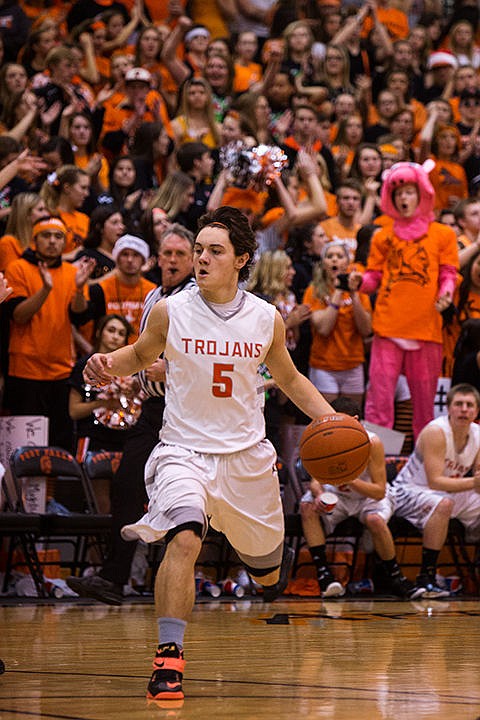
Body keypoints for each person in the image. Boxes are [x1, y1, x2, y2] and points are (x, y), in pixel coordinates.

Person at [82, 205, 335, 701]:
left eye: (214, 251)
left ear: (242, 259)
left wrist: (330, 419)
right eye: (198, 249)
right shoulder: (171, 309)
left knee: (267, 572)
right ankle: (168, 660)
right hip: (183, 451)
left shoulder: (266, 318)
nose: (201, 258)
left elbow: (288, 379)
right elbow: (139, 355)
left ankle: (261, 566)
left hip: (245, 460)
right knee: (183, 537)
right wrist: (106, 362)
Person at [67, 224, 196, 603]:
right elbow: (143, 352)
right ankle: (115, 578)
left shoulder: (196, 298)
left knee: (191, 498)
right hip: (153, 407)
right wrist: (129, 376)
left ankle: (254, 564)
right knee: (128, 484)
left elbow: (201, 357)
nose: (172, 260)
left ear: (192, 260)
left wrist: (169, 369)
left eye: (180, 254)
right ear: (157, 259)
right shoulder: (154, 295)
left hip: (189, 411)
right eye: (167, 254)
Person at [350, 160, 459, 440]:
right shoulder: (382, 235)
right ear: (391, 197)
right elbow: (374, 275)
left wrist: (447, 291)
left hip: (426, 327)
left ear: (422, 193)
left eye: (409, 191)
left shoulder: (443, 234)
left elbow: (449, 272)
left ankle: (425, 466)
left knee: (424, 405)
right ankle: (380, 463)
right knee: (379, 402)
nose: (403, 198)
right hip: (388, 327)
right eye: (398, 193)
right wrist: (360, 282)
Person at [300, 397, 424, 599]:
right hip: (340, 495)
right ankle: (324, 576)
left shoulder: (372, 442)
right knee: (307, 507)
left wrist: (349, 479)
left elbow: (379, 491)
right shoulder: (323, 437)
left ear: (355, 421)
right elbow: (315, 481)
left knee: (375, 520)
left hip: (368, 495)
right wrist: (320, 495)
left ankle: (396, 577)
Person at [3, 217, 95, 450]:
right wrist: (45, 290)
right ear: (34, 240)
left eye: (58, 236)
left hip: (61, 369)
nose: (52, 241)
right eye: (46, 235)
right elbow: (18, 315)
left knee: (59, 446)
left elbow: (79, 315)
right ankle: (17, 489)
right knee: (22, 446)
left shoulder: (72, 272)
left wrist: (78, 288)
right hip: (25, 370)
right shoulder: (18, 268)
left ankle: (53, 489)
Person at [393, 383, 480, 598]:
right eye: (459, 404)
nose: (464, 409)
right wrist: (474, 483)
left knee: (446, 501)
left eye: (470, 405)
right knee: (443, 504)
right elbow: (435, 482)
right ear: (448, 408)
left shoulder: (478, 434)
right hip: (409, 491)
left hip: (448, 491)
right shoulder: (436, 431)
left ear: (477, 411)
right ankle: (426, 576)